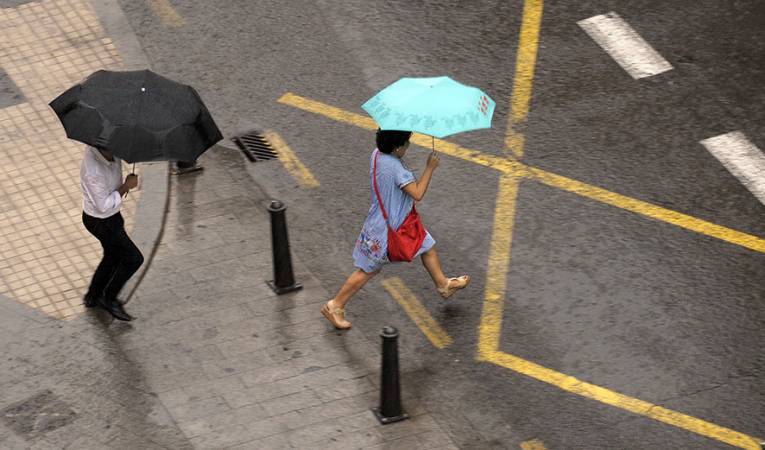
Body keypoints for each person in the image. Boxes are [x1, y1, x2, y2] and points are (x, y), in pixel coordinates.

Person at [321, 129, 470, 329]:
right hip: (389, 229)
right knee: (367, 270)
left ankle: (443, 285)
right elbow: (417, 193)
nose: (408, 146)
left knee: (427, 246)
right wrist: (430, 168)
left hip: (395, 221)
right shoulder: (395, 168)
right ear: (397, 147)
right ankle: (335, 305)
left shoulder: (377, 154)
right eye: (407, 143)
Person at [80, 145, 144, 321]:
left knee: (112, 256)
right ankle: (109, 298)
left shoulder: (111, 150)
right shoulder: (93, 172)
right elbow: (103, 206)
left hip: (112, 217)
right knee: (133, 258)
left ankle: (93, 296)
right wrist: (126, 186)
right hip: (101, 222)